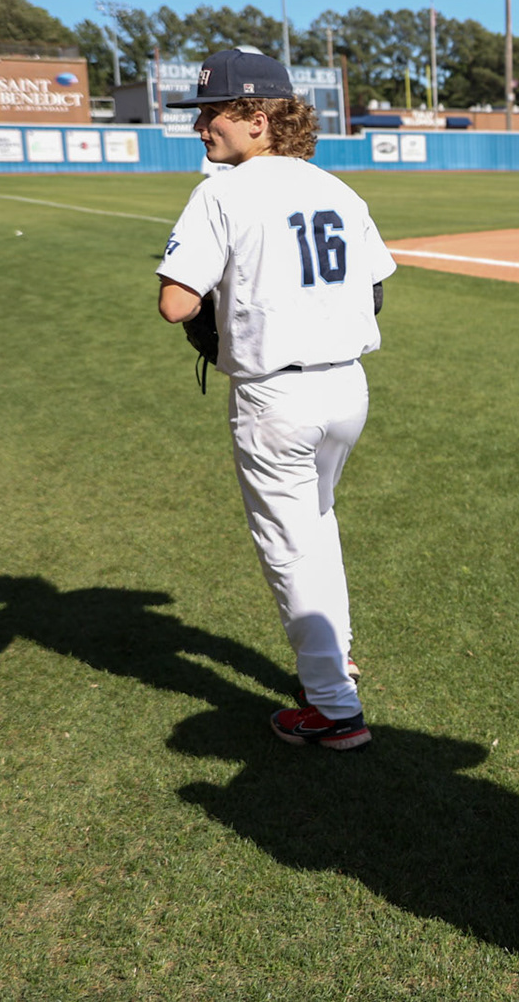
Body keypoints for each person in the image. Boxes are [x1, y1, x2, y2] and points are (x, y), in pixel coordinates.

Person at [155, 48, 395, 752]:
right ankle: (338, 659)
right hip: (347, 387)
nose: (202, 126)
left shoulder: (221, 193)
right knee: (316, 525)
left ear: (259, 120)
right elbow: (376, 286)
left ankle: (333, 708)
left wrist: (216, 302)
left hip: (276, 399)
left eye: (214, 113)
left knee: (290, 546)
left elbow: (176, 304)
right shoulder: (338, 188)